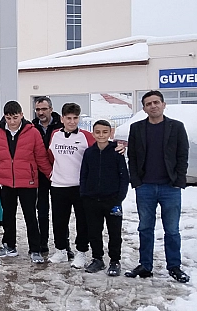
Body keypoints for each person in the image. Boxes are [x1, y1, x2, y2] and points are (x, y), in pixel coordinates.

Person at [125, 90, 190, 283]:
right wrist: (136, 181)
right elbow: (133, 158)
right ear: (144, 108)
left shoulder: (177, 127)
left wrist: (179, 180)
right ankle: (145, 265)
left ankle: (174, 267)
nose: (153, 106)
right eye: (148, 104)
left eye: (156, 102)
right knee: (145, 228)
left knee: (171, 230)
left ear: (163, 104)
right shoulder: (137, 128)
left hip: (169, 187)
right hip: (145, 187)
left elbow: (182, 155)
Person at [0, 101, 52, 263]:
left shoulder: (32, 133)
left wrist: (51, 175)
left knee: (30, 216)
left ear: (22, 115)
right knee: (8, 216)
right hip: (6, 182)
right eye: (9, 118)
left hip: (28, 182)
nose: (12, 121)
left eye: (15, 117)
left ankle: (35, 249)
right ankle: (9, 246)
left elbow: (41, 157)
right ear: (4, 117)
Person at [47, 103, 95, 268]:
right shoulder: (54, 134)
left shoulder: (86, 136)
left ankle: (81, 252)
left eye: (75, 118)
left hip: (80, 186)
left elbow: (99, 151)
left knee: (82, 221)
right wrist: (53, 172)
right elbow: (50, 156)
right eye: (68, 118)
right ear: (62, 119)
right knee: (59, 221)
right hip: (58, 185)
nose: (72, 122)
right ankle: (61, 250)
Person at [80, 120, 129, 276]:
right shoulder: (89, 153)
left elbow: (124, 177)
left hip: (113, 200)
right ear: (93, 133)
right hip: (92, 200)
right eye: (98, 132)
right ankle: (97, 259)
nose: (101, 135)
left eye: (105, 132)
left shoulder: (117, 152)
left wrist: (119, 198)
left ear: (110, 133)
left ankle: (114, 260)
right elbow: (84, 175)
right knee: (94, 231)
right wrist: (85, 194)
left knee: (114, 232)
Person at [32, 96, 63, 255]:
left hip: (61, 174)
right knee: (42, 210)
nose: (41, 112)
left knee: (60, 213)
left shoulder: (62, 125)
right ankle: (42, 243)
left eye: (44, 109)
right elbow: (5, 123)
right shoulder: (31, 127)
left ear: (51, 109)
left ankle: (63, 246)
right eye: (38, 109)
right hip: (40, 175)